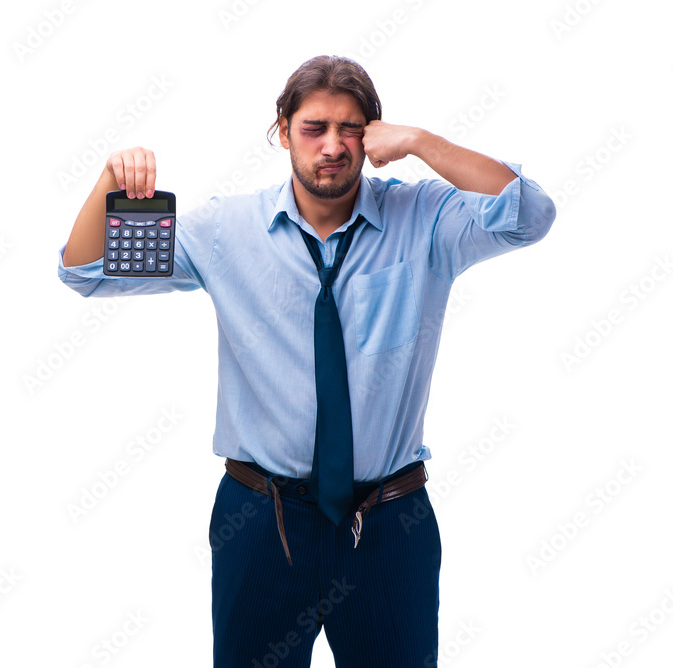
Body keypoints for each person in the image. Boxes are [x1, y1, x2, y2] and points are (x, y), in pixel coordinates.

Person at [57, 55, 555, 668]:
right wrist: (108, 182)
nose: (333, 147)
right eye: (314, 128)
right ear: (283, 130)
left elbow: (532, 213)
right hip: (261, 523)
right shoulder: (228, 228)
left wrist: (423, 143)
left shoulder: (424, 219)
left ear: (373, 135)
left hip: (388, 523)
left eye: (351, 130)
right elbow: (84, 271)